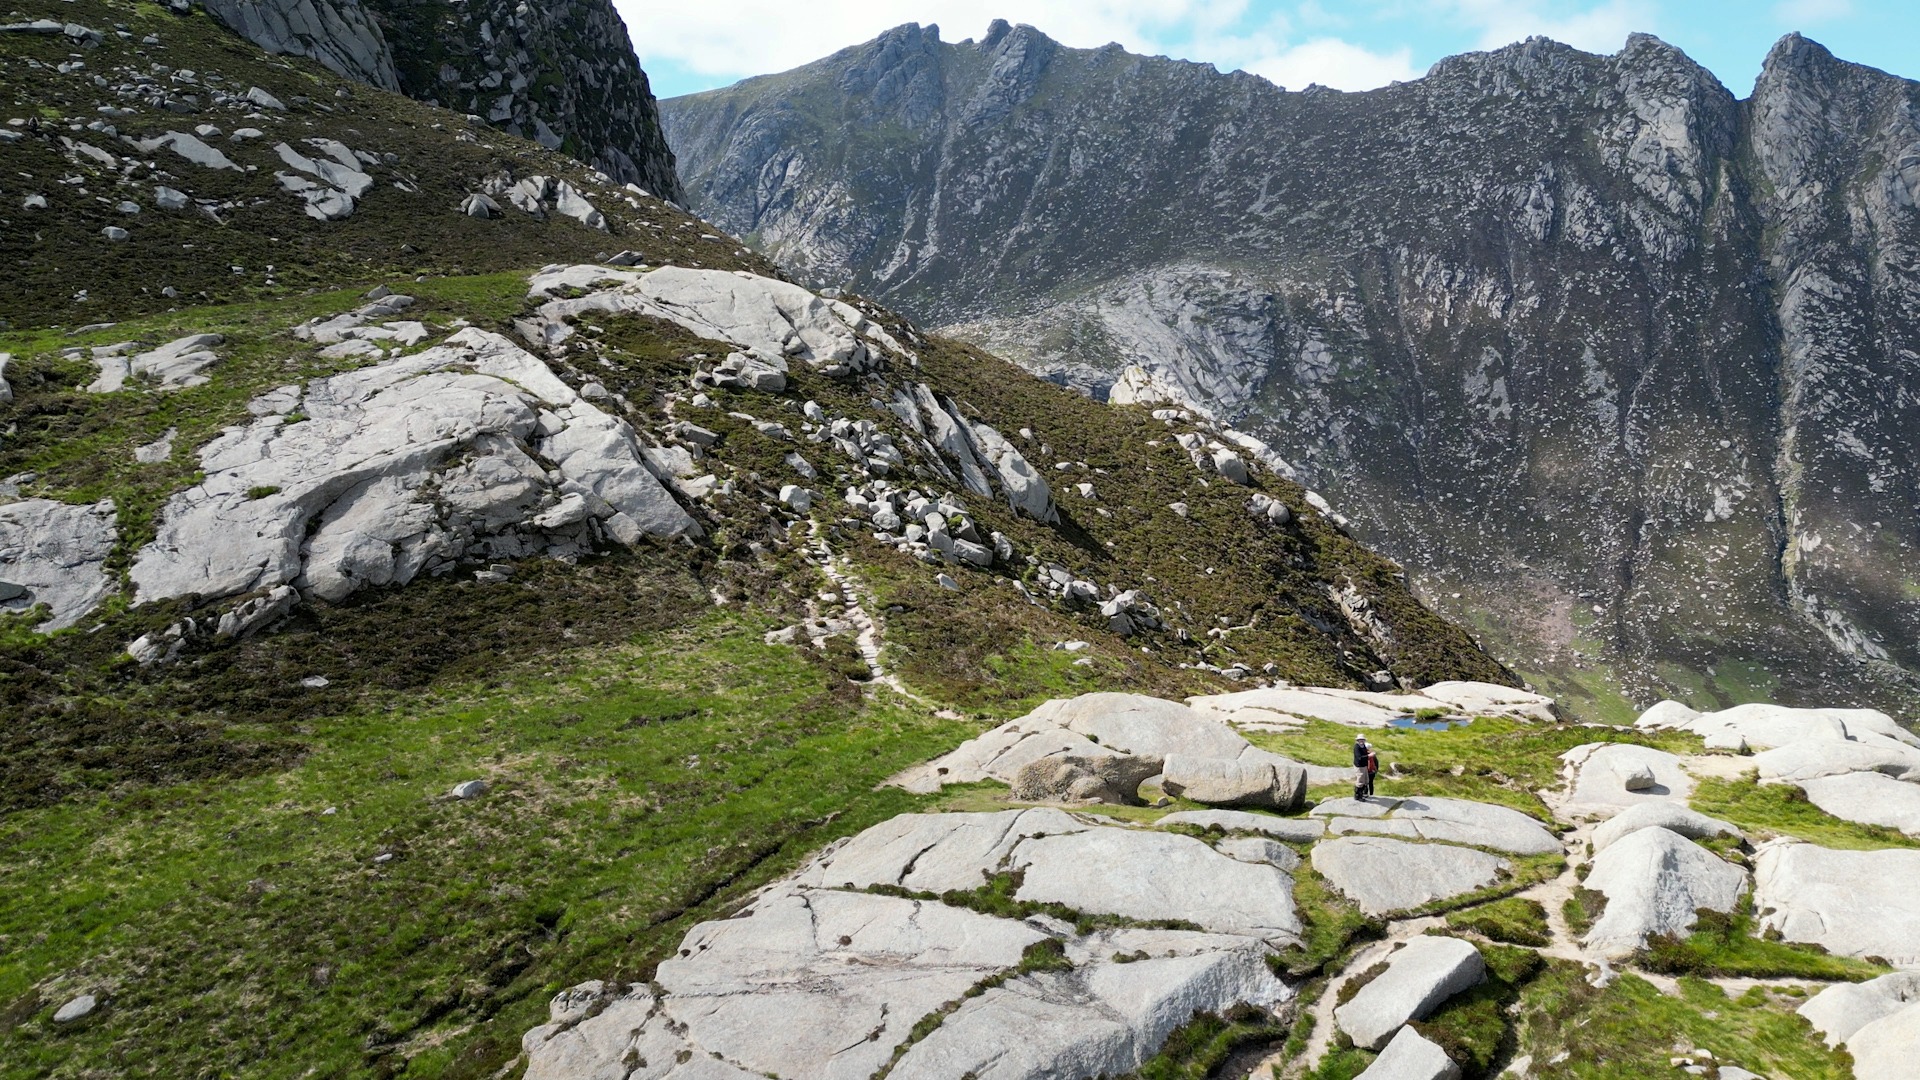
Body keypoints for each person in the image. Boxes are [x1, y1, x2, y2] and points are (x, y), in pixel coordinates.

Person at [1352, 735, 1371, 801]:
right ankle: (1358, 796)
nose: (1361, 741)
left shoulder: (1363, 746)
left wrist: (1368, 753)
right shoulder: (1356, 747)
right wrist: (1368, 756)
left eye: (1362, 740)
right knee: (1360, 781)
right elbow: (1359, 757)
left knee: (1365, 780)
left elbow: (1365, 753)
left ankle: (1362, 794)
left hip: (1364, 765)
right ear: (1357, 740)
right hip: (1359, 766)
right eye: (1360, 740)